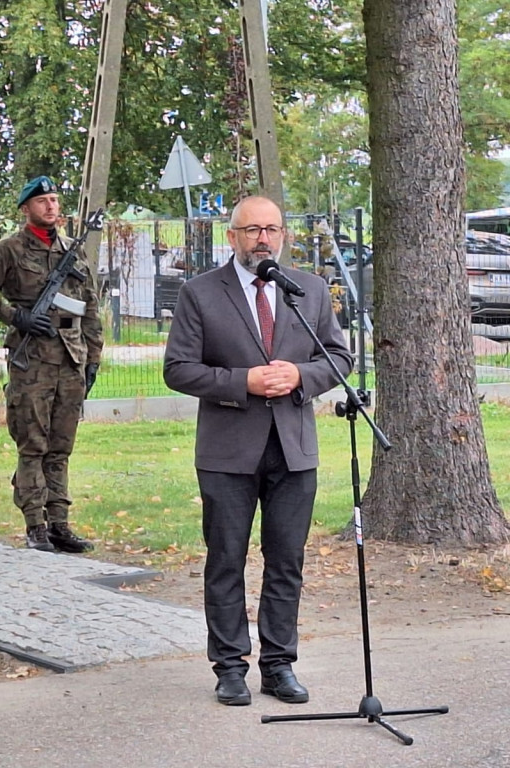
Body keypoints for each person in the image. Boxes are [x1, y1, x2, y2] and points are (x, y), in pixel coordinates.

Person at [162, 196, 353, 706]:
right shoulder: (200, 293)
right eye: (251, 230)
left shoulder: (308, 291)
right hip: (228, 451)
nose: (262, 239)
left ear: (284, 235)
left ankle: (279, 665)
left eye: (271, 229)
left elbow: (338, 356)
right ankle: (229, 667)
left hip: (293, 449)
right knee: (226, 560)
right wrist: (241, 381)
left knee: (286, 560)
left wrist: (301, 376)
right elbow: (178, 368)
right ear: (232, 237)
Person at [0, 176, 103, 553]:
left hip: (70, 358)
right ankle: (35, 524)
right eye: (42, 201)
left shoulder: (72, 250)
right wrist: (14, 317)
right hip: (33, 362)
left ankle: (59, 522)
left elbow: (90, 308)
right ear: (27, 209)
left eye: (55, 199)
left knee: (61, 446)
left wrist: (93, 359)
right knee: (33, 445)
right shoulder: (9, 251)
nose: (51, 206)